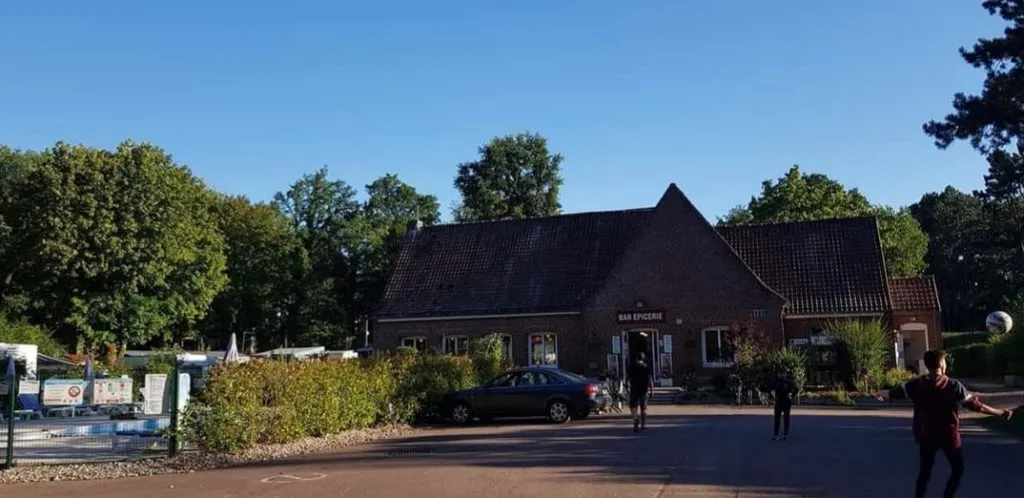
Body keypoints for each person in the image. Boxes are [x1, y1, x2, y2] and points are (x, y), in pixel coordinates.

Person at [876, 349, 1014, 498]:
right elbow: (976, 406)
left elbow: (893, 393)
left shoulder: (916, 384)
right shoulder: (953, 385)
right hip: (949, 435)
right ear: (942, 364)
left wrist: (882, 393)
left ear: (927, 365)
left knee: (925, 472)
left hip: (926, 434)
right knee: (958, 469)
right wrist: (1000, 412)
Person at [626, 351, 655, 432]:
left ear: (636, 358)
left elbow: (627, 379)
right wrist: (652, 390)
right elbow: (650, 379)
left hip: (634, 389)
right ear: (643, 358)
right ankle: (643, 424)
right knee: (644, 407)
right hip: (644, 390)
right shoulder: (646, 367)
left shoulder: (631, 367)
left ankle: (635, 418)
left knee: (633, 406)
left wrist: (627, 388)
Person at [771, 372, 799, 440]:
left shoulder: (789, 382)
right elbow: (771, 389)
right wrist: (773, 397)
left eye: (782, 374)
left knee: (786, 417)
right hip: (778, 401)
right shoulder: (776, 382)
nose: (781, 375)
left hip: (786, 401)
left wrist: (792, 396)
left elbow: (796, 389)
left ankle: (785, 434)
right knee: (777, 418)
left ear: (785, 374)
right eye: (780, 374)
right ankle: (776, 434)